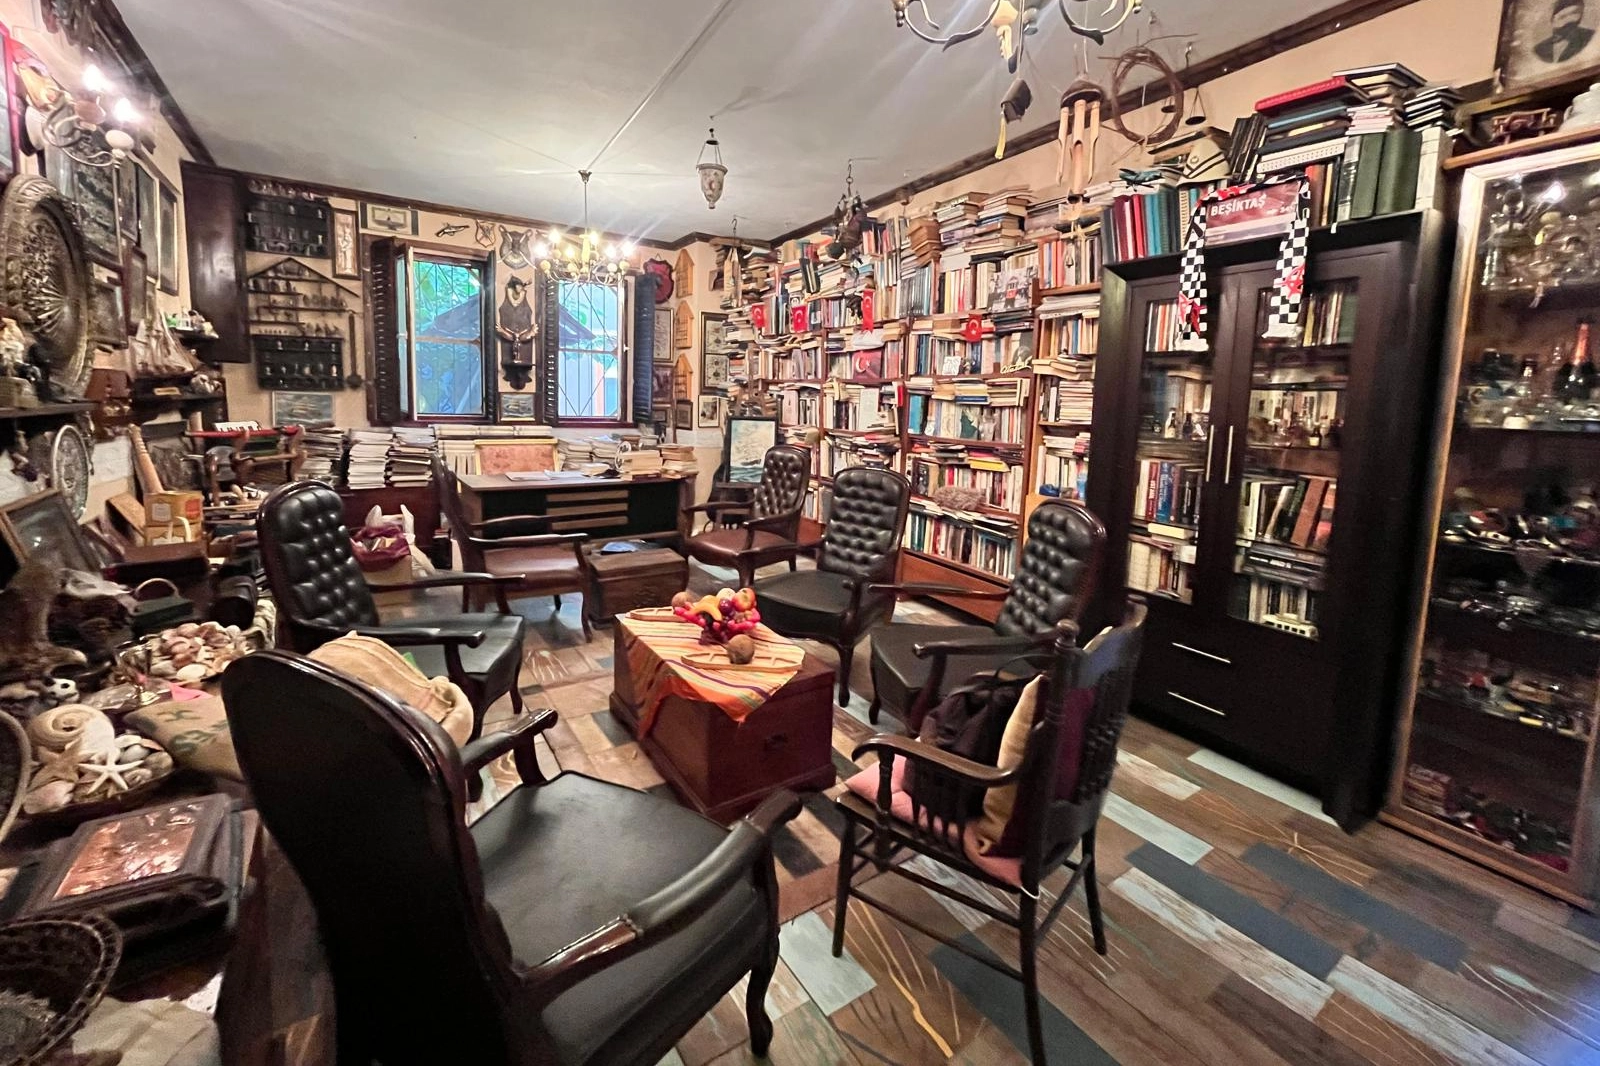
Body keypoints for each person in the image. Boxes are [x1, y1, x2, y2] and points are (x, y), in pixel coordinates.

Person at [1536, 0, 1595, 64]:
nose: (1568, 20)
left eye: (1574, 14)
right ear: (1553, 20)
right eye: (1562, 17)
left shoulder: (1589, 37)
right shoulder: (1539, 49)